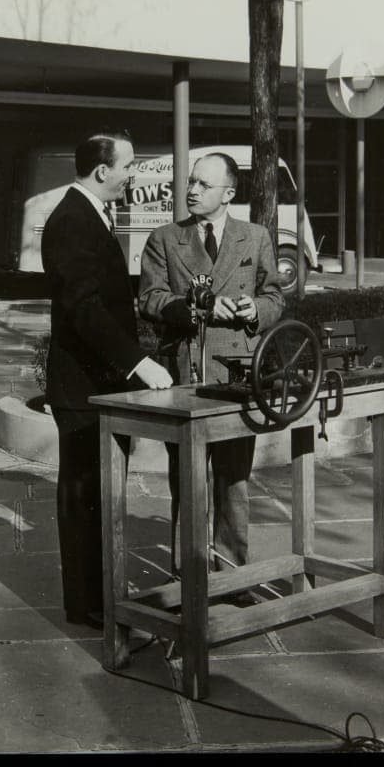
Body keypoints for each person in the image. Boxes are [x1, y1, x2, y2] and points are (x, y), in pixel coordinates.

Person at [40, 130, 173, 629]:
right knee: (83, 497)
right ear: (102, 171)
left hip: (97, 383)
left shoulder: (87, 213)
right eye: (129, 166)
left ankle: (98, 597)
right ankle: (87, 605)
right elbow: (83, 309)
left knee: (95, 494)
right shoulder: (73, 220)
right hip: (83, 387)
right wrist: (137, 363)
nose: (133, 173)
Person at [138, 152, 284, 580]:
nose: (192, 191)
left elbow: (275, 298)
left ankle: (232, 571)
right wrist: (195, 308)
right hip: (187, 372)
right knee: (188, 479)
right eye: (191, 183)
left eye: (203, 185)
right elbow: (149, 298)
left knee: (235, 478)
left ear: (229, 193)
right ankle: (190, 573)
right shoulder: (165, 238)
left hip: (239, 373)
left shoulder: (255, 237)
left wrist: (252, 308)